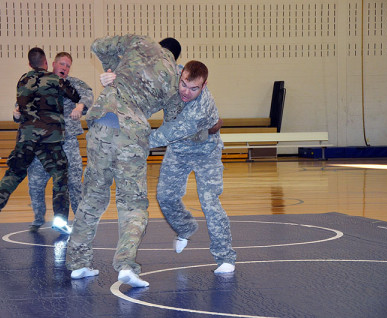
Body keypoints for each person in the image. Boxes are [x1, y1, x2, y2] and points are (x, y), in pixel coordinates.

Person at [65, 35, 184, 288]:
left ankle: (78, 263)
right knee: (132, 203)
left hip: (102, 125)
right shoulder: (175, 77)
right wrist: (150, 138)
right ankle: (126, 265)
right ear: (176, 56)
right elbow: (173, 121)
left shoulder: (139, 42)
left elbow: (96, 44)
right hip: (133, 133)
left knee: (93, 196)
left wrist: (112, 68)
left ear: (160, 44)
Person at [0, 47, 81, 234]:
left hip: (26, 137)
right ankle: (60, 219)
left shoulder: (22, 80)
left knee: (13, 174)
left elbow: (19, 107)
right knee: (60, 176)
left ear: (29, 64)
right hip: (50, 138)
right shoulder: (55, 80)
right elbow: (74, 95)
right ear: (47, 63)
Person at [149, 60, 237, 274]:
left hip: (206, 152)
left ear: (204, 86)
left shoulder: (200, 108)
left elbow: (169, 133)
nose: (186, 92)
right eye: (183, 85)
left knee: (209, 202)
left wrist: (136, 142)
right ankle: (185, 227)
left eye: (194, 88)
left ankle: (225, 257)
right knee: (165, 196)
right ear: (181, 76)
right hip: (179, 151)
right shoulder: (175, 72)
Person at [13, 52, 94, 234]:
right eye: (62, 64)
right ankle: (38, 217)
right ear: (53, 64)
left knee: (73, 182)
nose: (64, 68)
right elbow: (22, 105)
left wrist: (80, 107)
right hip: (43, 143)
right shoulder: (38, 83)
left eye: (68, 66)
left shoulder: (74, 84)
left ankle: (79, 221)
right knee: (35, 182)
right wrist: (16, 114)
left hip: (67, 142)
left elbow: (88, 95)